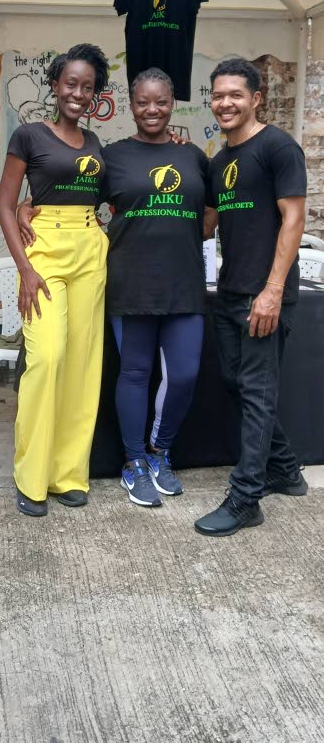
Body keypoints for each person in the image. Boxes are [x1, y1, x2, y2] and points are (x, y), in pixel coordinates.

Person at [194, 58, 307, 537]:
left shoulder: (278, 148)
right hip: (231, 291)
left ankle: (246, 498)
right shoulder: (220, 162)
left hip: (265, 294)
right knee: (237, 384)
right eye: (218, 95)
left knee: (257, 393)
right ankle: (286, 469)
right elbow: (205, 226)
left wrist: (273, 291)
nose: (225, 103)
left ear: (256, 98)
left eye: (235, 94)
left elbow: (294, 219)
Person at [0, 43, 110, 517]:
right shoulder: (28, 136)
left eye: (87, 87)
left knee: (83, 364)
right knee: (47, 356)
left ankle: (67, 473)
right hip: (43, 251)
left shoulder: (98, 145)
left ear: (96, 96)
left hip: (89, 246)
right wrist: (24, 266)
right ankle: (31, 475)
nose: (78, 94)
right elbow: (6, 205)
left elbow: (114, 196)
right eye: (71, 84)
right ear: (55, 85)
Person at [103, 68, 211, 508]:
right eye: (144, 102)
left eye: (161, 101)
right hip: (131, 284)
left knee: (183, 374)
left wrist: (179, 237)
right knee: (135, 374)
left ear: (173, 104)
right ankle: (133, 463)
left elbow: (210, 211)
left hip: (184, 283)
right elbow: (81, 207)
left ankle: (160, 453)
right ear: (132, 105)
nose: (153, 110)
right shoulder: (112, 156)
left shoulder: (193, 156)